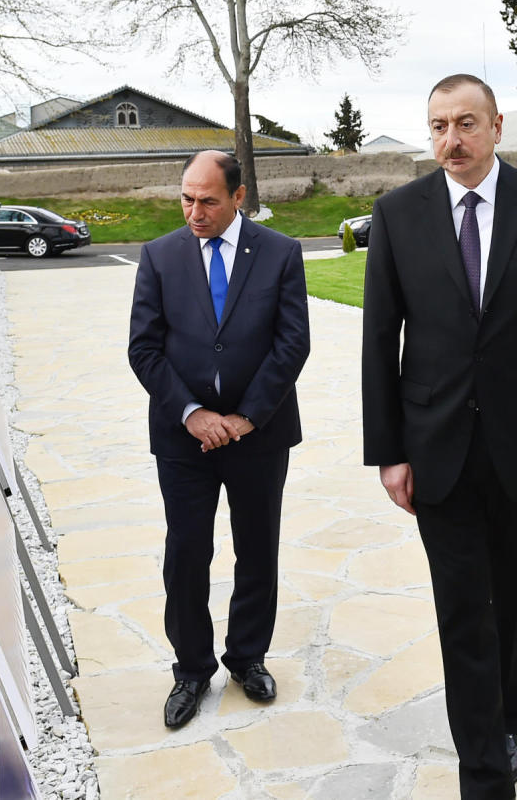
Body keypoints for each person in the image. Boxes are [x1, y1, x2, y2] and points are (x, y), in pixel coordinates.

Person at [361, 74, 517, 797]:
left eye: (465, 123)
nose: (449, 140)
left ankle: (508, 716)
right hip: (435, 448)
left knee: (514, 598)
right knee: (461, 606)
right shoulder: (397, 215)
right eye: (437, 125)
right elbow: (379, 341)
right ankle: (483, 770)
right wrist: (389, 452)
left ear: (496, 125)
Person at [128, 150, 310, 729]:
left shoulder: (281, 254)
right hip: (184, 440)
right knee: (186, 552)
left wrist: (247, 416)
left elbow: (292, 344)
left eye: (207, 200)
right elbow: (144, 349)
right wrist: (192, 413)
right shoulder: (159, 257)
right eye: (186, 198)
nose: (194, 211)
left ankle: (248, 658)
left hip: (259, 435)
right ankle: (191, 667)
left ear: (238, 197)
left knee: (257, 548)